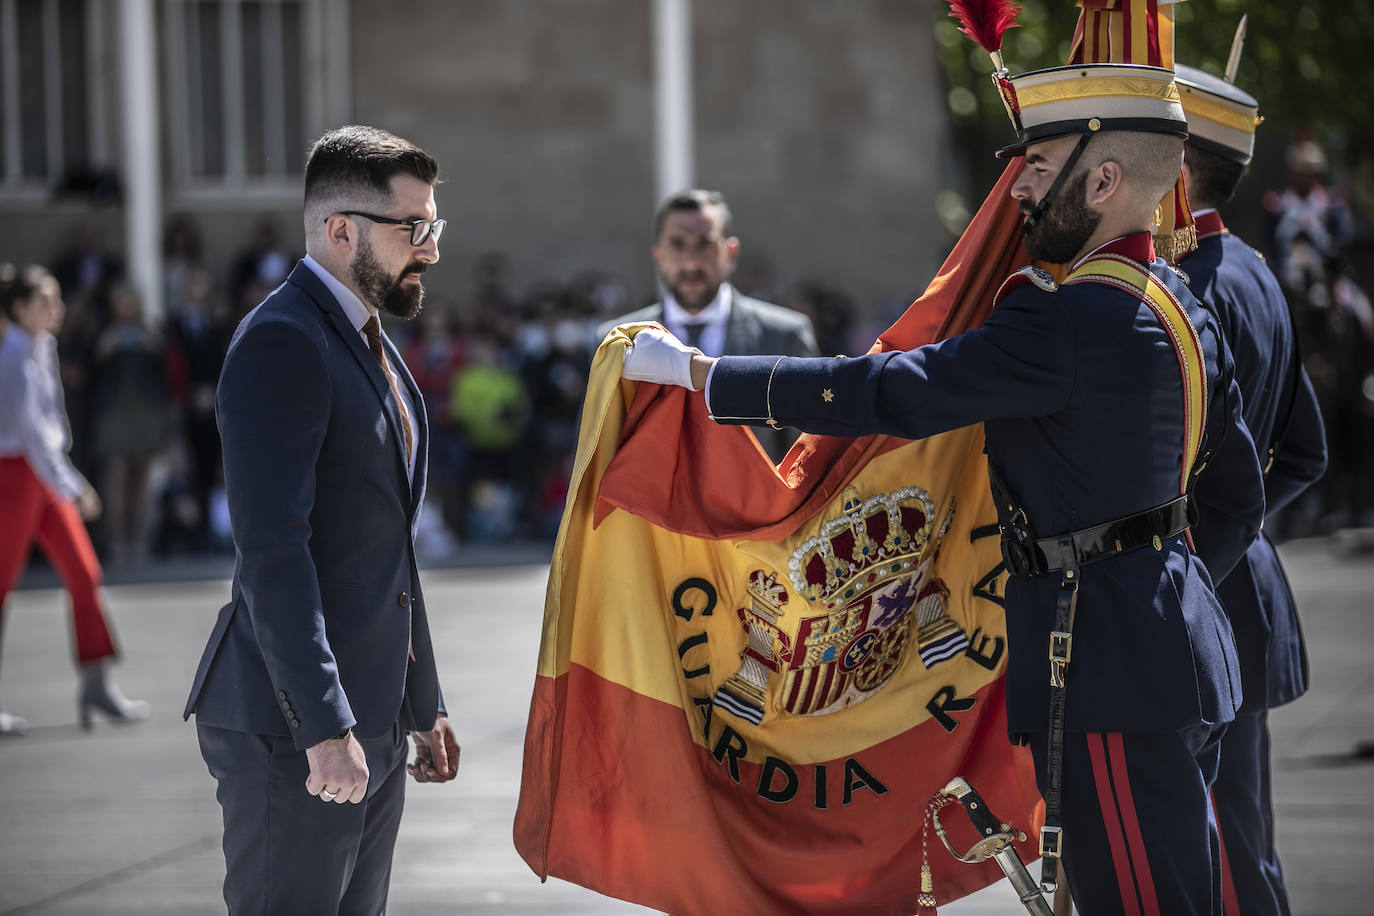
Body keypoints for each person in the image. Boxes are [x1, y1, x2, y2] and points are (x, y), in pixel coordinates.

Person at [623, 64, 1265, 913]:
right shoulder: (1180, 301)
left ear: (1104, 180)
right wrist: (1152, 588)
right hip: (1175, 647)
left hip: (1107, 668)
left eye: (1038, 171)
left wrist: (708, 379)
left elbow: (898, 390)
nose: (1020, 193)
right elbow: (1235, 501)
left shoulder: (1066, 316)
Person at [183, 125, 460, 914]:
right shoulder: (284, 339)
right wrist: (323, 728)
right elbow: (274, 552)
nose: (432, 249)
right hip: (295, 727)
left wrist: (422, 699)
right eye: (414, 228)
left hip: (367, 715)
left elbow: (387, 545)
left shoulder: (365, 336)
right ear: (342, 231)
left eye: (434, 226)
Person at [1176, 64, 1328, 915]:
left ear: (1179, 164)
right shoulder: (1253, 269)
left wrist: (1200, 561)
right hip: (1246, 592)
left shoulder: (1189, 288)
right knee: (1244, 853)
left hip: (1201, 607)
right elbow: (1305, 453)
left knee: (1219, 865)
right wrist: (1239, 534)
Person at [0, 264, 150, 736]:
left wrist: (63, 480)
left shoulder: (42, 345)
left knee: (84, 574)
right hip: (16, 475)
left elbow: (49, 433)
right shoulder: (13, 356)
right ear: (21, 309)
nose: (58, 310)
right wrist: (74, 486)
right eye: (47, 301)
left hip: (42, 474)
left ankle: (96, 683)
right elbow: (31, 437)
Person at [600, 189, 820, 461]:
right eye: (677, 245)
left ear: (731, 252)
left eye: (704, 244)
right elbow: (595, 455)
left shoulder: (784, 335)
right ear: (658, 255)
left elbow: (807, 456)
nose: (691, 262)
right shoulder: (619, 341)